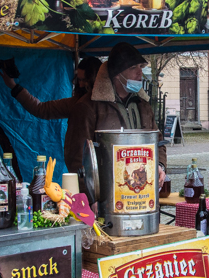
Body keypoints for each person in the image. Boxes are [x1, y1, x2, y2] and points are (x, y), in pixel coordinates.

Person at [66, 42, 166, 186]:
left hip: (142, 192)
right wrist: (91, 196)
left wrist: (160, 165)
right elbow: (77, 157)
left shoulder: (143, 106)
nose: (140, 73)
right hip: (105, 196)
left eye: (140, 67)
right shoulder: (87, 107)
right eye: (133, 68)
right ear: (117, 75)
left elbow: (159, 141)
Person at [2, 56, 102, 170]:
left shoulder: (106, 105)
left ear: (95, 80)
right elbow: (41, 109)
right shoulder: (76, 103)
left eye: (85, 80)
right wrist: (14, 87)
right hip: (81, 170)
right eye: (79, 80)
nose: (80, 85)